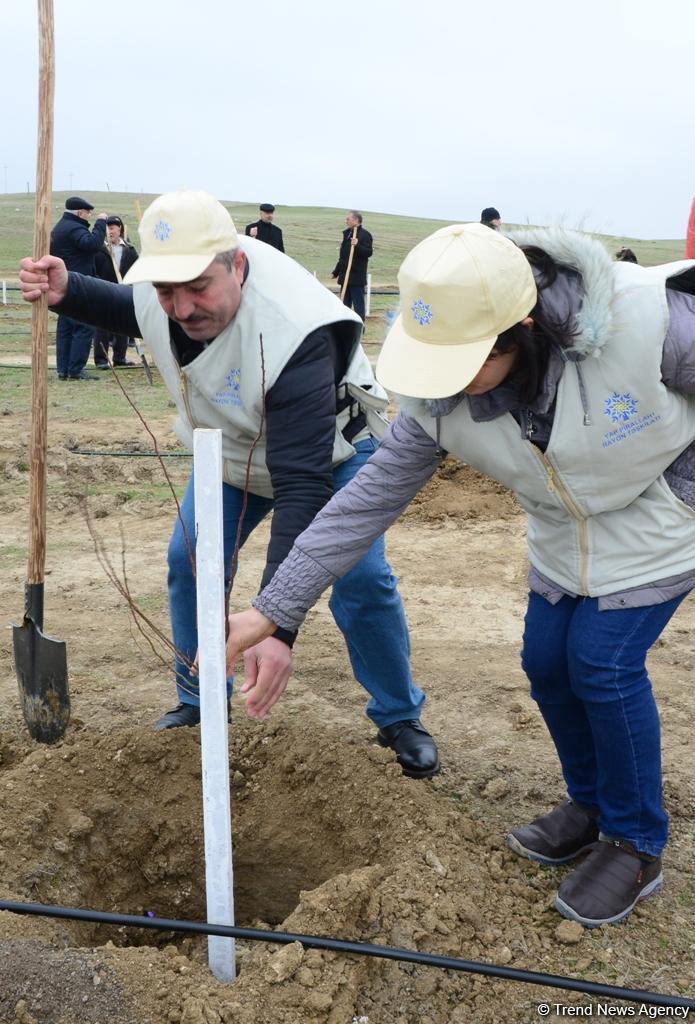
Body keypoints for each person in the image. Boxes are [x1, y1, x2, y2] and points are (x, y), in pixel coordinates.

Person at [223, 222, 695, 929]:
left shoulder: (650, 324)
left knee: (600, 663)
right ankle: (591, 802)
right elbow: (366, 497)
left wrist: (683, 491)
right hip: (568, 532)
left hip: (660, 517)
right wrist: (275, 610)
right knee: (544, 661)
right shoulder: (438, 392)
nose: (443, 381)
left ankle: (633, 842)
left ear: (520, 328)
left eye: (464, 360)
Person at [19, 189, 439, 780]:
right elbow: (134, 310)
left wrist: (277, 624)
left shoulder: (295, 331)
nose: (184, 308)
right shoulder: (166, 289)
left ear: (237, 264)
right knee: (189, 559)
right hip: (232, 453)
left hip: (332, 454)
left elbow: (302, 486)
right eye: (169, 291)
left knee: (361, 577)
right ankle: (198, 698)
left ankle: (399, 716)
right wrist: (69, 291)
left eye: (199, 289)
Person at [50, 196, 108, 380]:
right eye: (88, 213)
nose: (89, 216)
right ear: (80, 213)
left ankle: (63, 369)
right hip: (77, 284)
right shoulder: (75, 228)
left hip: (63, 283)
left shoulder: (61, 227)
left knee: (66, 328)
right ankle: (75, 369)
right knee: (84, 325)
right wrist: (101, 223)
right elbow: (92, 245)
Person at [93, 215, 139, 368]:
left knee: (123, 326)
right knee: (102, 328)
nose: (109, 231)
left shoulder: (129, 250)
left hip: (123, 291)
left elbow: (137, 270)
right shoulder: (98, 249)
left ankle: (120, 358)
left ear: (119, 229)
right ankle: (101, 360)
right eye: (107, 228)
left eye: (112, 228)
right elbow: (93, 270)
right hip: (102, 291)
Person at [332, 211, 373, 321]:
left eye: (348, 219)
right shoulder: (347, 234)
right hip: (345, 277)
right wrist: (336, 271)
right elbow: (343, 257)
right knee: (345, 306)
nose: (346, 221)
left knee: (358, 307)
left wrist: (357, 245)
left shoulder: (365, 235)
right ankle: (345, 328)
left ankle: (360, 328)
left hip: (356, 278)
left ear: (356, 220)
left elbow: (369, 252)